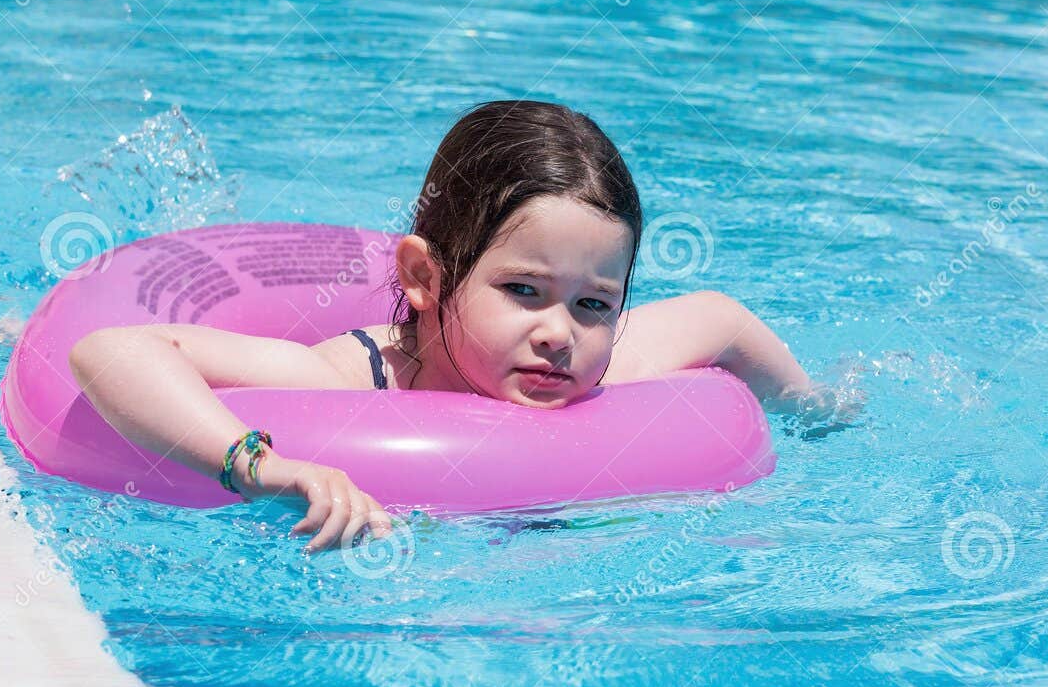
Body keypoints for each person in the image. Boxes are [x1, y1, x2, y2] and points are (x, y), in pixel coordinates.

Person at [70, 99, 844, 554]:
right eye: (523, 289)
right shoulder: (344, 380)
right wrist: (260, 466)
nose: (559, 333)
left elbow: (720, 318)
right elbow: (112, 349)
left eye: (594, 302)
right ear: (424, 277)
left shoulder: (591, 363)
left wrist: (818, 415)